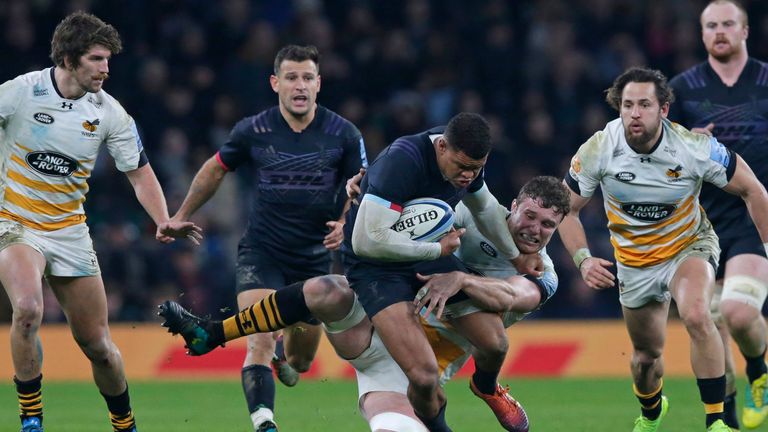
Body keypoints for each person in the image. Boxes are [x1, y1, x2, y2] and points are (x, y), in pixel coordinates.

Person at [160, 175, 570, 432]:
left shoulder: (543, 272)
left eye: (548, 224)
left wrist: (461, 277)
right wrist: (369, 191)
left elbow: (515, 295)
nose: (535, 230)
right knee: (326, 289)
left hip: (407, 368)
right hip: (378, 323)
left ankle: (484, 387)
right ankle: (211, 333)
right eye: (530, 216)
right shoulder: (472, 214)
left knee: (491, 339)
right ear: (513, 206)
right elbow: (411, 210)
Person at [0, 12, 201, 432]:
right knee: (28, 309)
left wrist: (162, 219)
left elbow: (139, 171)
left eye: (108, 59)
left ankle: (124, 424)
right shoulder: (21, 92)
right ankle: (31, 419)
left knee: (98, 347)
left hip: (70, 231)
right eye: (97, 58)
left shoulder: (108, 112)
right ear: (69, 59)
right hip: (15, 221)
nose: (106, 68)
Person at [160, 44, 367, 432]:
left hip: (313, 263)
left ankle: (284, 359)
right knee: (259, 335)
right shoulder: (253, 129)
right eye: (291, 77)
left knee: (300, 364)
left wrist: (346, 222)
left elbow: (364, 187)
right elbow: (215, 169)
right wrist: (181, 216)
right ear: (276, 83)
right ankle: (264, 422)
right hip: (262, 251)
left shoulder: (344, 133)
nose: (300, 85)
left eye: (307, 77)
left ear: (319, 84)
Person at [559, 66, 768, 432]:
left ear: (664, 110)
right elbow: (567, 210)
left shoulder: (692, 148)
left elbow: (754, 189)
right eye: (627, 105)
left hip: (688, 246)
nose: (634, 113)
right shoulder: (600, 148)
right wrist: (583, 259)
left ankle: (716, 420)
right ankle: (652, 411)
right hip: (634, 263)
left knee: (698, 314)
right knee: (645, 357)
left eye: (644, 105)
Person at [667, 1, 768, 429]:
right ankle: (722, 416)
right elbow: (660, 150)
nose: (720, 31)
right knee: (707, 324)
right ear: (702, 34)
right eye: (711, 26)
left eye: (728, 24)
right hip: (700, 222)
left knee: (739, 312)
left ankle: (759, 371)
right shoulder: (682, 88)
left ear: (745, 31)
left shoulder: (766, 80)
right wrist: (686, 141)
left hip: (753, 212)